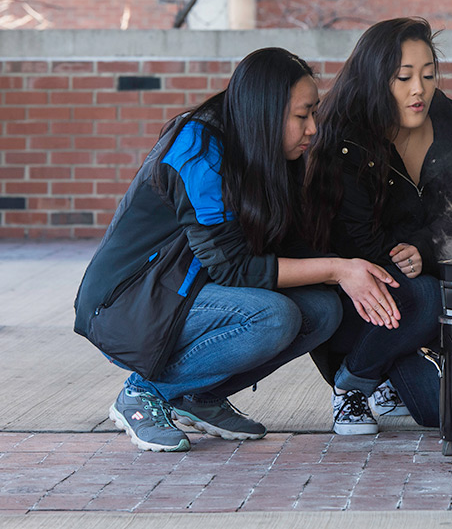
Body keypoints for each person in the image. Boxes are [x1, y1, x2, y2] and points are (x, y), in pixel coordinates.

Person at [74, 48, 399, 453]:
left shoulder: (264, 149)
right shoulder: (197, 149)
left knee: (322, 311)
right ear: (265, 111)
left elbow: (285, 245)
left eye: (314, 113)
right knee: (272, 316)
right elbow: (234, 268)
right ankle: (142, 393)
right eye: (302, 116)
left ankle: (199, 395)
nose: (314, 128)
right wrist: (335, 269)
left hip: (188, 291)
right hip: (128, 303)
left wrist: (359, 265)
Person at [305, 17, 452, 433]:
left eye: (428, 75)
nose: (419, 89)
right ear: (376, 78)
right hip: (353, 294)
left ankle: (388, 364)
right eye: (403, 77)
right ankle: (351, 385)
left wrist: (430, 246)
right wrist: (414, 259)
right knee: (425, 294)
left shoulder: (447, 121)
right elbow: (355, 242)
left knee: (442, 412)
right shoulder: (345, 137)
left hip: (419, 290)